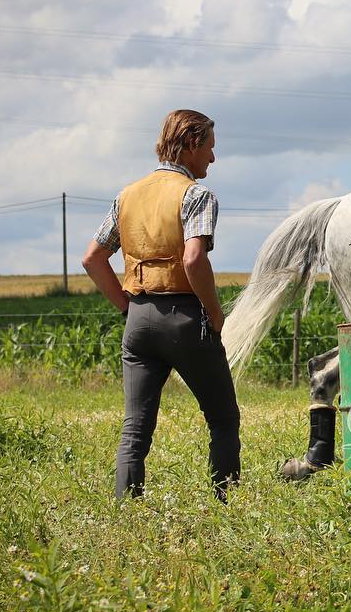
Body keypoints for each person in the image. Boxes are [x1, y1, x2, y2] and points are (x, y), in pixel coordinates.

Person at [82, 109, 242, 500]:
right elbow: (192, 259)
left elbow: (92, 259)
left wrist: (126, 308)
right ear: (191, 144)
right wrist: (216, 314)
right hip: (186, 318)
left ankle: (127, 509)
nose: (213, 158)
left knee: (135, 426)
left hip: (138, 320)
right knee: (222, 419)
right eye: (209, 148)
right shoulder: (197, 196)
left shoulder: (127, 196)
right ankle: (226, 503)